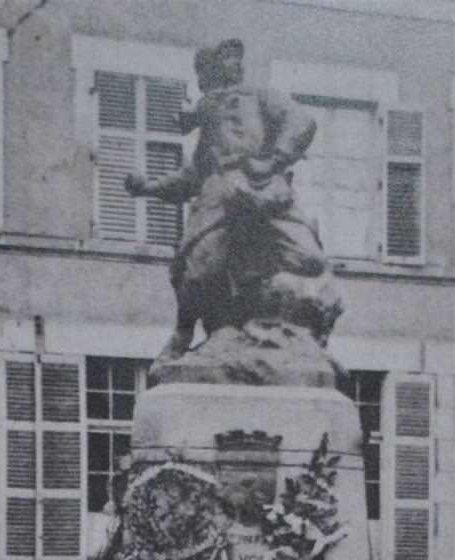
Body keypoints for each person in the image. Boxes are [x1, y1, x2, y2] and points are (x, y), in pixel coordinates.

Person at [125, 38, 326, 361]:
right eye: (226, 57)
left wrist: (274, 160)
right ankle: (183, 332)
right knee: (197, 268)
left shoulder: (260, 96)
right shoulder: (208, 110)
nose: (236, 63)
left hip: (265, 186)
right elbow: (194, 174)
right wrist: (149, 188)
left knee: (310, 259)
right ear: (209, 69)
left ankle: (295, 332)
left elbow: (302, 122)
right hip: (221, 191)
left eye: (236, 57)